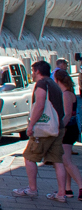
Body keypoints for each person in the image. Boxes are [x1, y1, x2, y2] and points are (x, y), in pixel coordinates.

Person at [14, 60, 66, 200]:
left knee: (29, 157)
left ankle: (32, 189)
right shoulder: (53, 84)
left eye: (33, 70)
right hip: (57, 127)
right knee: (57, 160)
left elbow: (40, 104)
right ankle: (62, 193)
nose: (32, 73)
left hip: (44, 128)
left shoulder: (42, 84)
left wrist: (31, 125)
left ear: (37, 71)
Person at [54, 60, 80, 200]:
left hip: (68, 129)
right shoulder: (70, 93)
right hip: (72, 128)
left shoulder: (65, 94)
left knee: (66, 160)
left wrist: (59, 128)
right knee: (66, 159)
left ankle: (81, 187)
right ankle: (67, 189)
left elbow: (68, 114)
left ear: (58, 80)